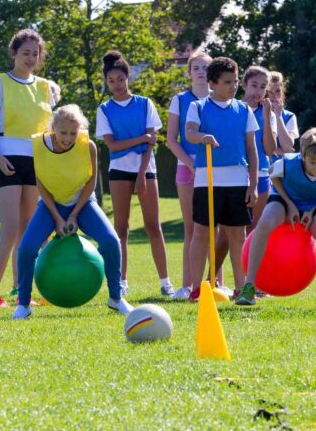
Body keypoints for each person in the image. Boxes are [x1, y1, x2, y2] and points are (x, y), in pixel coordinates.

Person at [13, 105, 132, 319]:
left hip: (83, 203)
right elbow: (40, 185)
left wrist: (74, 214)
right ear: (53, 129)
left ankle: (116, 298)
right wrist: (58, 217)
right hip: (51, 205)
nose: (68, 138)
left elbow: (91, 183)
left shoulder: (89, 147)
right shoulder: (40, 147)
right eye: (63, 132)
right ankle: (23, 304)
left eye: (73, 133)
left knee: (111, 241)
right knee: (26, 248)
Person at [235, 128, 316, 307]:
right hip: (283, 201)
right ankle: (249, 287)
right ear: (302, 156)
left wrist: (314, 207)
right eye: (312, 162)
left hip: (314, 207)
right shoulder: (289, 163)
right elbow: (272, 174)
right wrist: (290, 205)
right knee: (264, 224)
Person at [0, 29, 55, 307]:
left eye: (35, 54)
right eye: (26, 53)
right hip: (8, 161)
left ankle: (19, 290)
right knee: (9, 229)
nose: (31, 58)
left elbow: (52, 130)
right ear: (14, 53)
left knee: (28, 231)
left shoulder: (46, 87)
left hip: (36, 162)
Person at [95, 50, 174, 298]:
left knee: (153, 226)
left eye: (120, 79)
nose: (116, 85)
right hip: (118, 171)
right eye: (111, 81)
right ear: (106, 83)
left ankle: (166, 282)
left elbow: (152, 143)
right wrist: (140, 138)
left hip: (145, 170)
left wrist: (141, 174)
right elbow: (113, 146)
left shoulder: (145, 104)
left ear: (128, 78)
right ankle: (121, 282)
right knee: (121, 228)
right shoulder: (104, 109)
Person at [184, 57, 259, 301]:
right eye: (227, 82)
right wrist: (202, 137)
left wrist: (253, 184)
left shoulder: (244, 110)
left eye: (235, 81)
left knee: (238, 236)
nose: (233, 86)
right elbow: (190, 132)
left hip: (238, 181)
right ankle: (197, 288)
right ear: (212, 83)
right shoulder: (198, 107)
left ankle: (241, 288)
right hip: (207, 181)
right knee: (202, 233)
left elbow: (251, 149)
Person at [165, 51, 211, 300]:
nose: (201, 72)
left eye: (205, 67)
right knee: (192, 228)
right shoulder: (180, 100)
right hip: (187, 168)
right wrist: (189, 164)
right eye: (196, 68)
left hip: (215, 170)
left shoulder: (218, 100)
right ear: (190, 72)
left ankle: (215, 283)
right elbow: (171, 139)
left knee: (214, 227)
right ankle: (187, 285)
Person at [239, 65, 277, 226]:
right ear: (244, 85)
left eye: (263, 87)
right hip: (237, 174)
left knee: (255, 229)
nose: (258, 91)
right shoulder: (234, 108)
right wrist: (243, 109)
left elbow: (270, 149)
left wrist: (267, 115)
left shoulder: (268, 113)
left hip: (261, 174)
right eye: (254, 85)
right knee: (230, 234)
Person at [267, 71, 298, 159]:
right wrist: (274, 150)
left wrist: (278, 116)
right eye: (270, 92)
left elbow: (287, 147)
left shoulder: (289, 116)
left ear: (282, 91)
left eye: (277, 91)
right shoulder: (255, 113)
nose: (274, 96)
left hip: (281, 169)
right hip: (260, 168)